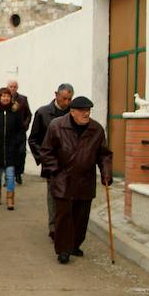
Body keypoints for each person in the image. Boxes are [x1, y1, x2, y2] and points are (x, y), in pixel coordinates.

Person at [39, 96, 113, 264]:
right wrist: (55, 170)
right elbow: (46, 151)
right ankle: (63, 250)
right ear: (72, 112)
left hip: (85, 180)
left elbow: (104, 155)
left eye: (88, 110)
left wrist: (106, 173)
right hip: (63, 178)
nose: (86, 113)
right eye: (82, 111)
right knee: (63, 216)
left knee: (81, 217)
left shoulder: (96, 129)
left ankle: (75, 244)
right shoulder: (57, 126)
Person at [28, 83, 74, 240]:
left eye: (70, 99)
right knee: (53, 195)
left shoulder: (74, 113)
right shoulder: (42, 113)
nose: (67, 102)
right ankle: (54, 227)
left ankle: (67, 225)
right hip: (52, 164)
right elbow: (33, 139)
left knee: (70, 196)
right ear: (56, 95)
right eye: (64, 99)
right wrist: (43, 158)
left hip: (71, 163)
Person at [0, 88, 26, 210]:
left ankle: (10, 199)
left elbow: (20, 130)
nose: (5, 98)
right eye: (3, 96)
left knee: (10, 175)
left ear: (11, 98)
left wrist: (17, 142)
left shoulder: (15, 112)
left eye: (8, 96)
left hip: (11, 150)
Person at [7, 79, 32, 184]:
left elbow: (29, 114)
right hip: (8, 131)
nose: (12, 88)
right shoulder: (4, 98)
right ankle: (9, 176)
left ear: (17, 88)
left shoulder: (23, 99)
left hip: (20, 132)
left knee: (21, 153)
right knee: (9, 154)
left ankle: (19, 173)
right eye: (11, 86)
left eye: (14, 86)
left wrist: (25, 125)